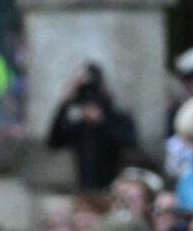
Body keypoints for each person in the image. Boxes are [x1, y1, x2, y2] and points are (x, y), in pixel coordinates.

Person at [45, 63, 139, 191]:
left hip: (112, 187)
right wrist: (65, 102)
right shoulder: (78, 123)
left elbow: (130, 142)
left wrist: (102, 121)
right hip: (84, 189)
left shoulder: (116, 116)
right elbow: (53, 142)